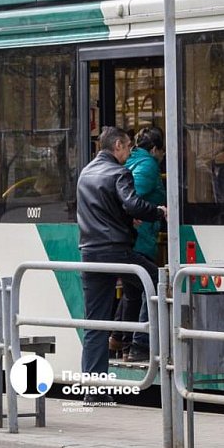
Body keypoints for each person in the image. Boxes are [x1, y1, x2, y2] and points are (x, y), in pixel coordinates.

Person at [77, 127, 167, 392]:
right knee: (159, 283)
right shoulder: (119, 173)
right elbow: (133, 204)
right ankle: (146, 345)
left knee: (95, 324)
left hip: (90, 254)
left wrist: (127, 217)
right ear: (117, 145)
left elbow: (102, 209)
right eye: (128, 147)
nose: (129, 153)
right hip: (118, 253)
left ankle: (93, 390)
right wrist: (159, 212)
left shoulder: (86, 173)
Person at [110, 126, 167, 362]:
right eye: (162, 152)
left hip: (134, 236)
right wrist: (158, 212)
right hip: (140, 236)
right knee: (151, 285)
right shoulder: (149, 164)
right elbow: (133, 198)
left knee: (133, 291)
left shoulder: (130, 161)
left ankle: (119, 339)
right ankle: (139, 345)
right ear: (155, 149)